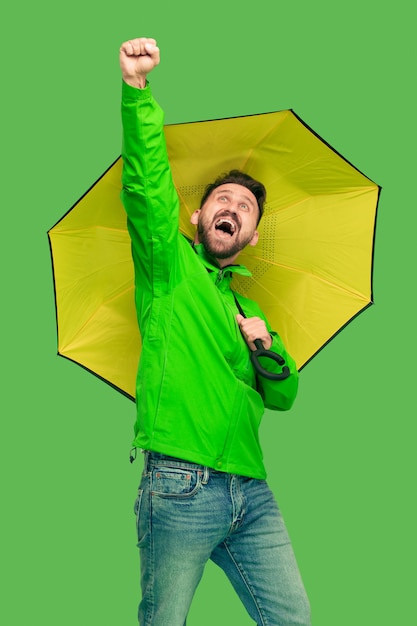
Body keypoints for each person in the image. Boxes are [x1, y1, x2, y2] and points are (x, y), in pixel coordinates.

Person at [119, 37, 311, 626]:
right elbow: (148, 187)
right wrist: (137, 92)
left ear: (251, 236)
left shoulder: (249, 309)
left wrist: (266, 345)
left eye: (245, 208)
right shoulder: (169, 269)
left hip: (250, 489)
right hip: (180, 483)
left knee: (293, 619)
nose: (232, 207)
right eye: (220, 200)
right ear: (199, 217)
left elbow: (284, 396)